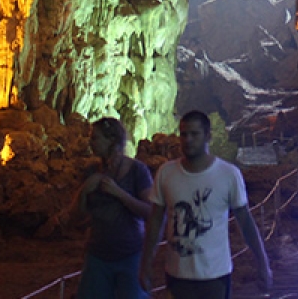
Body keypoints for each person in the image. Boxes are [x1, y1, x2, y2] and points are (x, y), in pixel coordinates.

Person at [139, 110, 273, 298]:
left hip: (214, 276)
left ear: (208, 136)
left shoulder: (228, 175)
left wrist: (262, 262)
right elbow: (155, 220)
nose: (188, 140)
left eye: (195, 134)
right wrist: (146, 263)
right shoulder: (166, 173)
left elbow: (245, 221)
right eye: (184, 134)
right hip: (177, 275)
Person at [73, 117, 155, 299]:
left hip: (131, 255)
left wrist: (119, 193)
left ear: (111, 140)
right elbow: (76, 217)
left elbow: (150, 212)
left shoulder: (137, 171)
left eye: (95, 138)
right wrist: (84, 191)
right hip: (97, 255)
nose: (90, 143)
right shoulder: (91, 172)